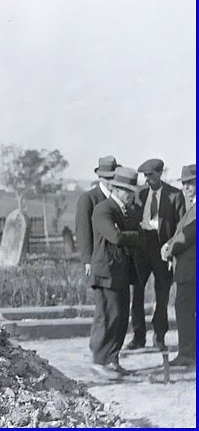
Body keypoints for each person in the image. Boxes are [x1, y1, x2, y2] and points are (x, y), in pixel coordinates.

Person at [127, 159, 185, 351]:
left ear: (160, 173)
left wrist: (171, 249)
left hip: (162, 250)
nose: (147, 179)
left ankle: (159, 337)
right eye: (145, 176)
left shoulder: (175, 195)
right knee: (137, 294)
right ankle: (138, 336)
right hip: (141, 249)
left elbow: (180, 226)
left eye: (151, 175)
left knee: (162, 295)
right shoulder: (140, 194)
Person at [89, 166, 142, 380]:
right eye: (127, 192)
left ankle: (112, 359)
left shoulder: (126, 211)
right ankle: (99, 361)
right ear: (117, 189)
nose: (130, 196)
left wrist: (133, 236)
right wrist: (136, 235)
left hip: (122, 272)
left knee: (121, 318)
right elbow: (116, 237)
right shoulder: (104, 209)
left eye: (132, 192)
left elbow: (131, 237)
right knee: (107, 317)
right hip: (106, 272)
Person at [161, 164, 196, 366]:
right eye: (184, 184)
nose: (186, 188)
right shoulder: (192, 207)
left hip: (191, 271)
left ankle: (187, 354)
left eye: (191, 183)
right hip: (188, 269)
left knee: (184, 310)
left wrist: (168, 248)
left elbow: (187, 236)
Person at [75, 156, 119, 277]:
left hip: (118, 260)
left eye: (113, 177)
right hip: (98, 259)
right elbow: (83, 231)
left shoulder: (119, 197)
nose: (111, 181)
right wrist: (87, 260)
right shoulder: (88, 199)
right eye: (107, 178)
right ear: (100, 177)